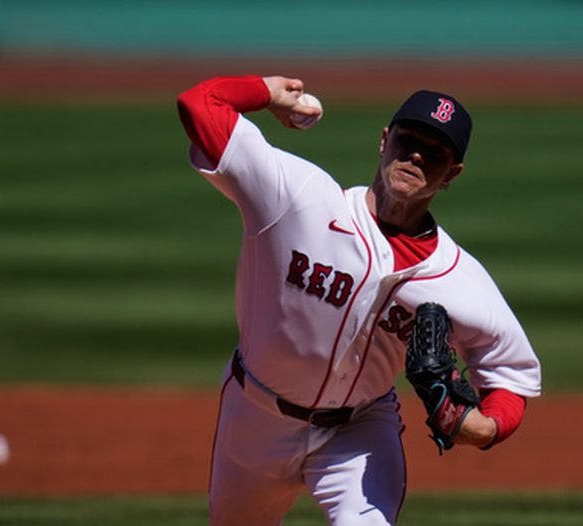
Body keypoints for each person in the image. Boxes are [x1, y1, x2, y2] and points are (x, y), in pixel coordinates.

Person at [177, 74, 541, 526]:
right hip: (255, 418)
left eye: (435, 152)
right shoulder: (297, 197)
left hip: (359, 433)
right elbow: (199, 103)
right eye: (408, 139)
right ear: (385, 140)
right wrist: (267, 91)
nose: (416, 155)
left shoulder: (461, 280)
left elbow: (511, 376)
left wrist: (483, 429)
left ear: (452, 173)